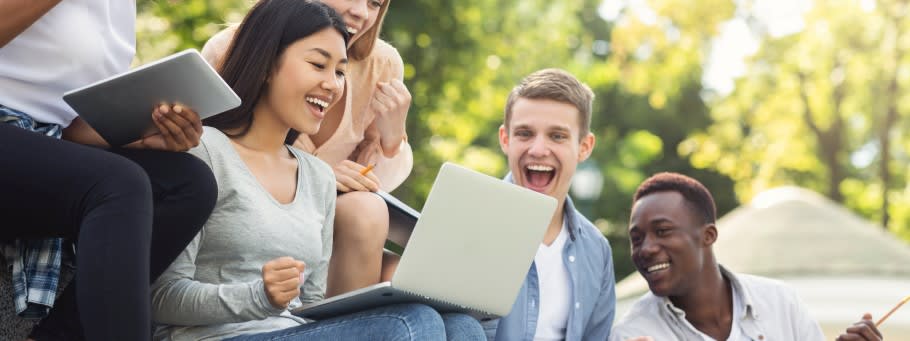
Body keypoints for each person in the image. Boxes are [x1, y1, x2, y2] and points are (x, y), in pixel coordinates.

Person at [150, 1, 483, 339]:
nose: (332, 85)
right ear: (266, 64)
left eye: (339, 71)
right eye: (317, 65)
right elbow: (159, 298)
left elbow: (310, 306)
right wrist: (257, 296)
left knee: (462, 326)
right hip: (217, 335)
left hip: (293, 332)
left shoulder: (317, 176)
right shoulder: (202, 150)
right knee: (411, 323)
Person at [0, 1, 216, 340]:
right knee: (119, 184)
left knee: (187, 182)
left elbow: (68, 124)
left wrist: (143, 135)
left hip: (44, 138)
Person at [202, 0, 412, 297]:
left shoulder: (382, 65)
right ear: (266, 65)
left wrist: (392, 140)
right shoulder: (235, 47)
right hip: (260, 219)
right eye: (317, 64)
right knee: (365, 214)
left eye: (375, 3)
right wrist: (318, 178)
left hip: (336, 229)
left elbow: (373, 183)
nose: (362, 13)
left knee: (414, 283)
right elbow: (216, 161)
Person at [611, 172, 883, 341]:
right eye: (637, 239)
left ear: (708, 236)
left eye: (663, 231)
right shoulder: (634, 333)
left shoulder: (780, 302)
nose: (646, 248)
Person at [483, 68, 616, 340]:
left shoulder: (597, 250)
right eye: (524, 133)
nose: (538, 149)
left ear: (584, 147)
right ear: (505, 139)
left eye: (557, 136)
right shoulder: (470, 220)